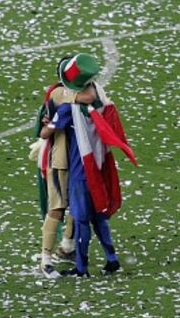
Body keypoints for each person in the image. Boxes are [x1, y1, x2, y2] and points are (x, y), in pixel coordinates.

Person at [39, 53, 137, 277]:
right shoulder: (97, 95)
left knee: (70, 212)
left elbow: (45, 132)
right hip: (98, 163)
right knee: (97, 216)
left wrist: (51, 122)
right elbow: (91, 94)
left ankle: (65, 263)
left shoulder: (63, 100)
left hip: (72, 164)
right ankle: (105, 258)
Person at [32, 55, 98, 279]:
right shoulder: (60, 93)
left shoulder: (61, 92)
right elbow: (90, 96)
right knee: (58, 208)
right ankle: (45, 260)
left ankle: (67, 246)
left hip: (75, 158)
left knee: (77, 205)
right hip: (61, 159)